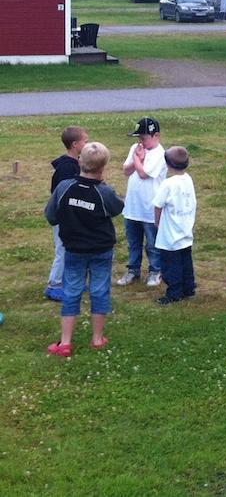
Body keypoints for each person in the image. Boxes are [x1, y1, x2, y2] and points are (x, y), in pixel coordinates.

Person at [44, 142, 124, 357]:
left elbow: (51, 216)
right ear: (104, 167)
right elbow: (118, 207)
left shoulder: (64, 188)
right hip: (101, 250)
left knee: (71, 291)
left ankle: (66, 343)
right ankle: (97, 339)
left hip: (74, 250)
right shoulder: (104, 192)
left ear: (80, 161)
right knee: (99, 290)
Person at [116, 117, 166, 287]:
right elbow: (126, 170)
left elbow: (144, 174)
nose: (140, 142)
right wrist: (138, 157)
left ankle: (155, 270)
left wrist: (139, 158)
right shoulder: (135, 149)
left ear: (156, 135)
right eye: (139, 138)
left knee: (152, 243)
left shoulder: (160, 154)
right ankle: (133, 270)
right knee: (133, 242)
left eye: (144, 138)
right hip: (133, 206)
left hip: (150, 208)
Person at [44, 125, 89, 302]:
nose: (88, 144)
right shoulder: (66, 169)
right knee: (62, 249)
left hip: (73, 217)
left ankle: (69, 281)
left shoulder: (75, 164)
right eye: (86, 141)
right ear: (75, 144)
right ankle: (54, 285)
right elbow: (62, 195)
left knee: (72, 248)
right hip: (63, 218)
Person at [152, 146, 197, 305]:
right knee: (186, 261)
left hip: (170, 234)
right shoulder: (188, 179)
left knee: (171, 266)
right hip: (185, 229)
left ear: (167, 164)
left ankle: (174, 293)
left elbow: (158, 205)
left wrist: (157, 223)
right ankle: (189, 289)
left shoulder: (168, 184)